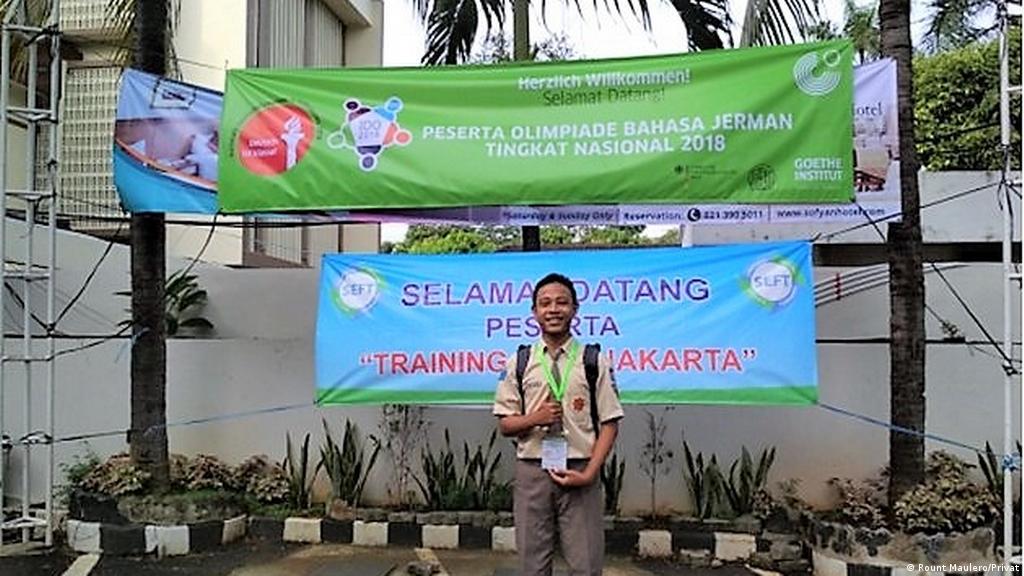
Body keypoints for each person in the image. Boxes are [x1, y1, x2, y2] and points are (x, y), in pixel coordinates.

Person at [492, 272, 624, 576]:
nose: (553, 309)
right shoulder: (520, 362)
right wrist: (535, 419)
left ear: (575, 309)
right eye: (545, 303)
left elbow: (610, 422)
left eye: (562, 302)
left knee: (586, 564)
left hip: (580, 470)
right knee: (532, 565)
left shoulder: (593, 360)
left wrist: (589, 473)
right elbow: (505, 424)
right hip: (532, 472)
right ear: (534, 311)